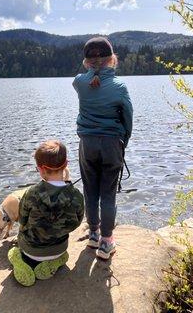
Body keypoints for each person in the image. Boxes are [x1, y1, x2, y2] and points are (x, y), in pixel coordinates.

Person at [73, 36, 133, 260]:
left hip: (87, 144)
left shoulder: (79, 82)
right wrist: (122, 143)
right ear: (112, 60)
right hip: (111, 145)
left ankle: (93, 234)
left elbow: (88, 78)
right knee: (108, 194)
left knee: (90, 190)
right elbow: (128, 118)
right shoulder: (119, 87)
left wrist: (92, 74)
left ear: (86, 62)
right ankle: (107, 243)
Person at [8, 139, 84, 286]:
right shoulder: (76, 196)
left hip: (32, 251)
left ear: (41, 169)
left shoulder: (31, 194)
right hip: (60, 247)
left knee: (13, 251)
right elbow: (77, 222)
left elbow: (22, 221)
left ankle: (22, 262)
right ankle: (56, 260)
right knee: (60, 252)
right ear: (66, 164)